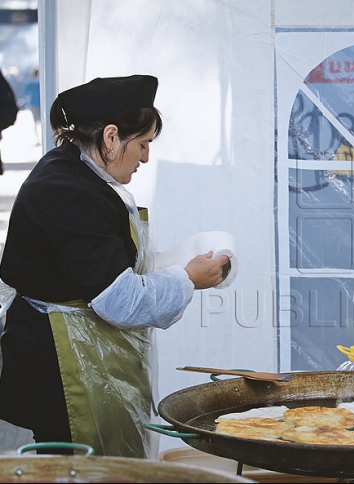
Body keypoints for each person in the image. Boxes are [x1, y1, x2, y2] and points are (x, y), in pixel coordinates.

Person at [0, 75, 228, 458]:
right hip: (63, 363)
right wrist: (187, 278)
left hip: (68, 347)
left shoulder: (72, 168)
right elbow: (118, 300)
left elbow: (92, 264)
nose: (145, 158)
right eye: (142, 144)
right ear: (110, 138)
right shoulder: (68, 191)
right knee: (78, 467)